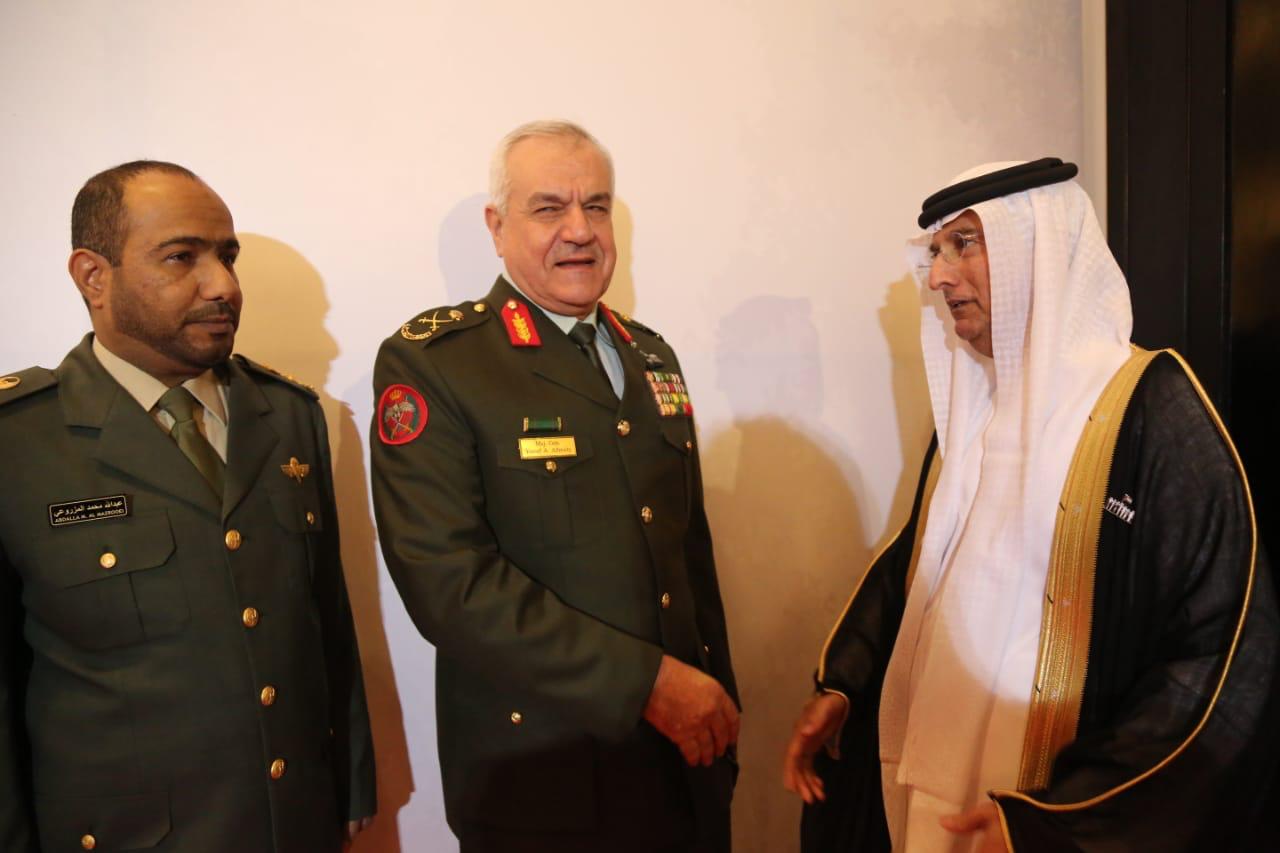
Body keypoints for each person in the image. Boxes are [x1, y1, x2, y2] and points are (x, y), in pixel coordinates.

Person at [782, 158, 1279, 851]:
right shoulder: (973, 411)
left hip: (1045, 812)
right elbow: (918, 569)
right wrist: (845, 683)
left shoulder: (1149, 411)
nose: (940, 277)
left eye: (965, 243)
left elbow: (1213, 644)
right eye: (936, 251)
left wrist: (1067, 814)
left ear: (1037, 248)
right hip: (935, 795)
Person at [371, 120, 739, 853]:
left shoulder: (651, 356)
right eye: (549, 208)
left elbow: (689, 559)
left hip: (680, 769)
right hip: (542, 786)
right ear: (497, 226)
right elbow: (448, 583)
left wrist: (719, 710)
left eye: (596, 206)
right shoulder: (437, 363)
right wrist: (647, 684)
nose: (580, 230)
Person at [0, 161, 376, 852]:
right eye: (182, 257)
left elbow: (326, 619)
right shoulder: (18, 438)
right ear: (93, 276)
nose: (223, 284)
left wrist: (349, 781)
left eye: (227, 256)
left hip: (293, 823)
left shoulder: (287, 414)